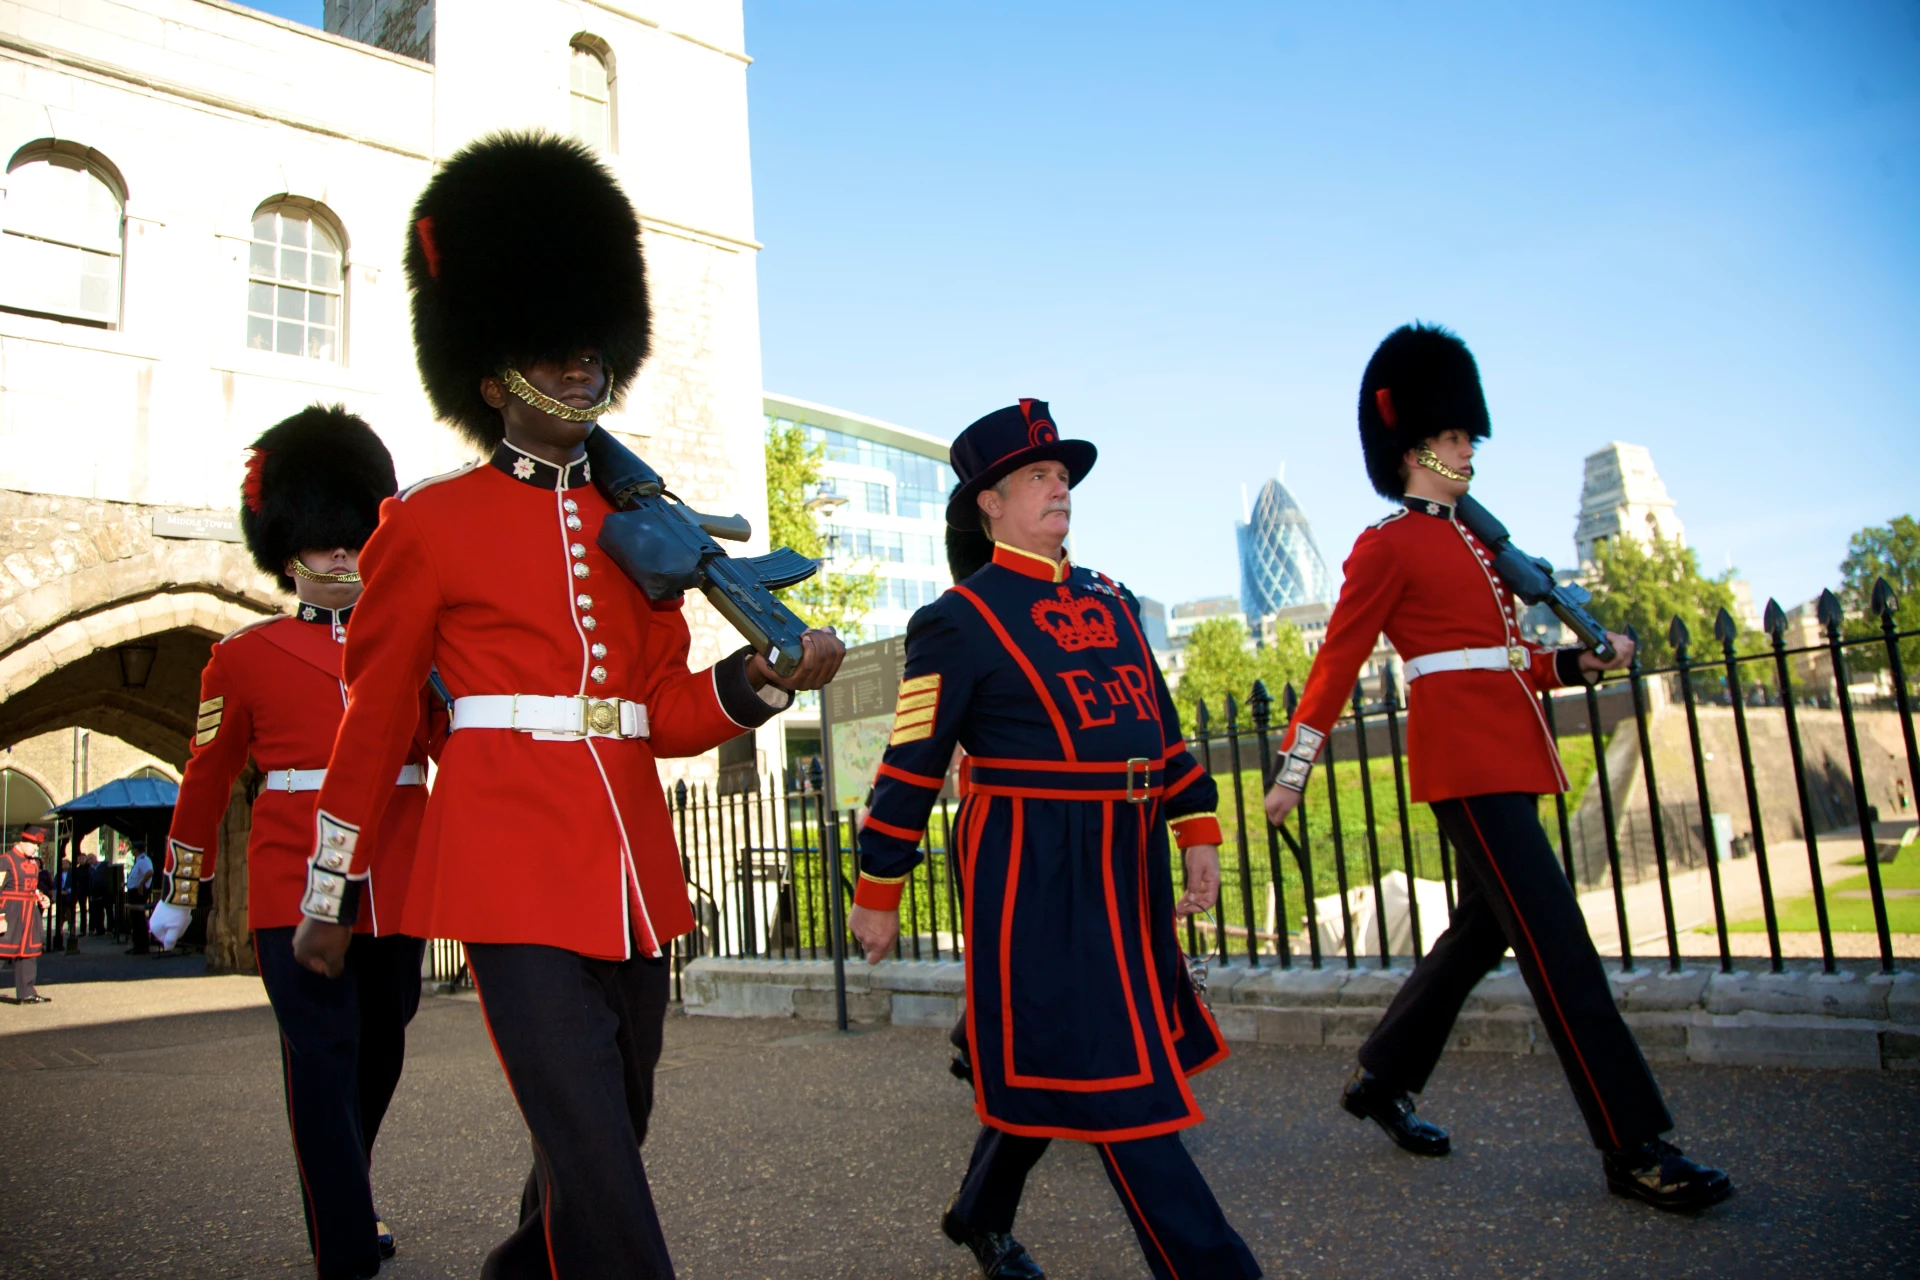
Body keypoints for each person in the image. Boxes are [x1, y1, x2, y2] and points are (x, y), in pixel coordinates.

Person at [288, 131, 844, 1280]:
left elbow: (656, 713)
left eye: (593, 346)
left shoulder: (639, 529)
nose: (585, 366)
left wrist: (758, 681)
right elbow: (377, 717)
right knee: (594, 1147)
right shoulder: (426, 526)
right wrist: (329, 887)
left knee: (610, 1124)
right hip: (503, 858)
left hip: (630, 862)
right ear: (494, 377)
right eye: (557, 349)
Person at [1262, 323, 1732, 1213]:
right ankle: (1633, 1146)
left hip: (1512, 753)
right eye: (1452, 435)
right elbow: (1336, 665)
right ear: (1413, 443)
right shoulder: (1387, 545)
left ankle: (1382, 1076)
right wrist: (1295, 769)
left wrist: (1575, 663)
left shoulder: (1481, 544)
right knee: (1560, 946)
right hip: (1465, 765)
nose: (1467, 447)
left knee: (1483, 930)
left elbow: (1504, 660)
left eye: (1467, 435)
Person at [849, 401, 1261, 1280]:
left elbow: (1164, 729)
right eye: (1038, 476)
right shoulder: (956, 619)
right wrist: (878, 887)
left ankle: (978, 1213)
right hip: (1035, 870)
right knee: (1120, 1080)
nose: (1059, 487)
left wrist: (1197, 829)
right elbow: (911, 763)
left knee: (1053, 1054)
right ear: (987, 502)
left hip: (1129, 860)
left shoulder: (1113, 600)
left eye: (1062, 475)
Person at [147, 405, 437, 1279]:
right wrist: (180, 885)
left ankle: (349, 1191)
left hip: (399, 877)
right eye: (324, 542)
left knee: (379, 1053)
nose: (343, 555)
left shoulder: (420, 645)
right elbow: (206, 775)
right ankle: (344, 1242)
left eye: (355, 537)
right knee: (323, 1059)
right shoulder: (244, 657)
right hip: (292, 882)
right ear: (289, 551)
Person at [1, 827, 53, 1003]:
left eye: (38, 845)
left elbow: (30, 886)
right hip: (10, 912)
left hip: (29, 912)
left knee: (28, 953)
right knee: (2, 951)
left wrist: (41, 897)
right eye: (33, 844)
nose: (36, 848)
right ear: (22, 841)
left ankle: (27, 992)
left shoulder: (34, 863)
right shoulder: (5, 861)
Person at [125, 840, 153, 955]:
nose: (131, 851)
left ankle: (142, 946)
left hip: (138, 892)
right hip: (133, 891)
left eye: (133, 849)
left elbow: (149, 872)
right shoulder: (138, 861)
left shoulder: (143, 860)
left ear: (136, 850)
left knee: (139, 919)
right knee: (135, 919)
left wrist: (141, 884)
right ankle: (136, 944)